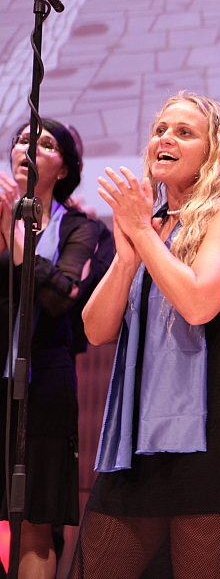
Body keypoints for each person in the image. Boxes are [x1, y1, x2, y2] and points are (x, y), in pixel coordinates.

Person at [70, 92, 220, 578]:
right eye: (160, 130)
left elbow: (198, 303)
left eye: (184, 132)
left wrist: (142, 235)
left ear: (214, 153)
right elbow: (96, 329)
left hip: (213, 441)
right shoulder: (152, 226)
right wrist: (127, 258)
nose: (165, 138)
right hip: (139, 444)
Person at [0, 119, 100, 578]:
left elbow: (61, 297)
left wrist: (15, 230)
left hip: (42, 385)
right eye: (23, 139)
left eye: (44, 143)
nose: (29, 148)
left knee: (35, 520)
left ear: (64, 169)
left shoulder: (78, 226)